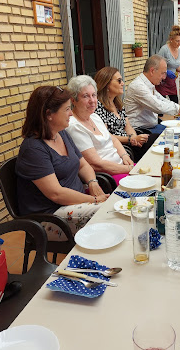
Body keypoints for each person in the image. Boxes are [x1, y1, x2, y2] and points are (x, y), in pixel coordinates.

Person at [16, 86, 109, 240]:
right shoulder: (33, 149)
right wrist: (93, 200)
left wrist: (92, 182)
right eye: (66, 109)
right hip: (51, 217)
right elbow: (56, 194)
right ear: (49, 114)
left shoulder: (61, 134)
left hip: (74, 203)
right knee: (108, 212)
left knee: (117, 204)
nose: (71, 114)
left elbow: (83, 165)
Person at [66, 76, 134, 185]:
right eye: (85, 96)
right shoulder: (74, 126)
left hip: (121, 167)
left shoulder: (94, 117)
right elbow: (96, 164)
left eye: (94, 95)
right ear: (73, 100)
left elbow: (114, 140)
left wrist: (125, 156)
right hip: (108, 177)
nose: (92, 101)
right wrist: (129, 169)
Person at [94, 67, 158, 163]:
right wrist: (130, 139)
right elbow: (106, 136)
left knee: (158, 138)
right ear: (107, 84)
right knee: (155, 143)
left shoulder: (117, 104)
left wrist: (135, 138)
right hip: (119, 147)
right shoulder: (98, 107)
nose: (123, 83)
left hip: (130, 142)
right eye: (119, 81)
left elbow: (128, 126)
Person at [124, 55, 180, 134]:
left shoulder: (148, 84)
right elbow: (158, 106)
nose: (164, 77)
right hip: (140, 131)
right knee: (179, 134)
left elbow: (162, 99)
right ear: (152, 71)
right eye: (162, 73)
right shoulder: (138, 86)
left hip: (151, 126)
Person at [156, 25, 180, 103]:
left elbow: (176, 65)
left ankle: (176, 115)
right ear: (171, 39)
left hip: (171, 81)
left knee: (175, 102)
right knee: (161, 104)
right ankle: (159, 115)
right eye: (177, 41)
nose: (179, 43)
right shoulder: (164, 49)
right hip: (161, 81)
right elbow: (156, 64)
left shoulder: (179, 51)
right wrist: (166, 72)